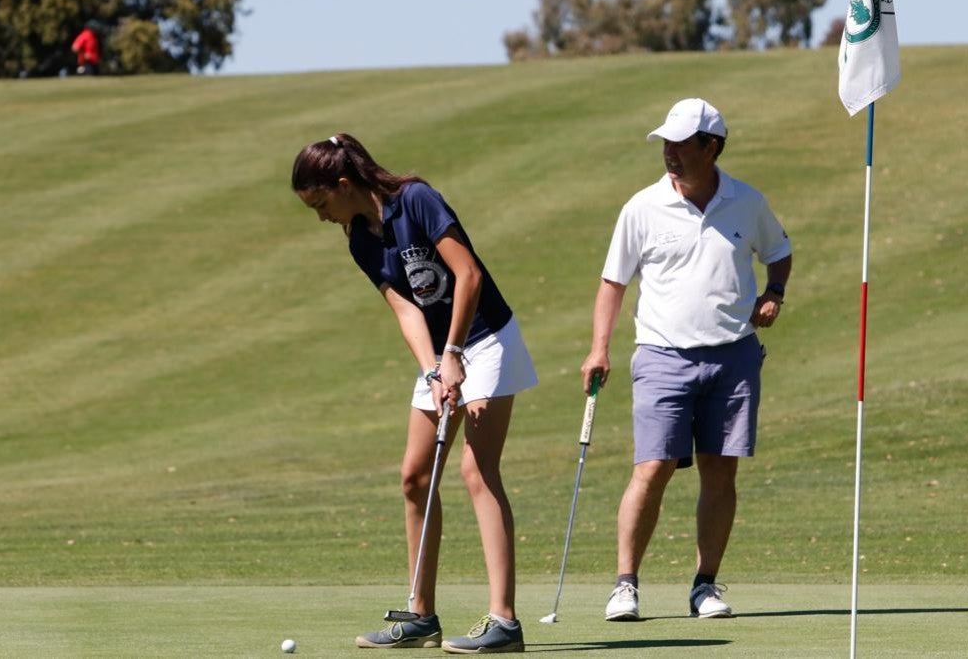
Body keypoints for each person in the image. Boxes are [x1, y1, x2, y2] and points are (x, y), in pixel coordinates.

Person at [291, 133, 537, 653]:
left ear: (342, 184)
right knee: (414, 476)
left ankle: (505, 621)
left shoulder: (417, 200)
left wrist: (453, 355)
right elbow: (406, 310)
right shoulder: (360, 239)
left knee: (477, 470)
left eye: (320, 204)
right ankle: (421, 615)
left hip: (487, 339)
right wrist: (433, 370)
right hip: (442, 354)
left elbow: (468, 274)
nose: (320, 217)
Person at [580, 98, 793, 622]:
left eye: (680, 144)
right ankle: (625, 584)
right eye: (666, 144)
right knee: (651, 469)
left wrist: (775, 293)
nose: (670, 153)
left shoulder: (747, 202)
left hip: (734, 357)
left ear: (711, 147)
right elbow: (613, 282)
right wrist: (599, 348)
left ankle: (704, 586)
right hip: (662, 355)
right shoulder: (642, 207)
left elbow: (779, 251)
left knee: (720, 473)